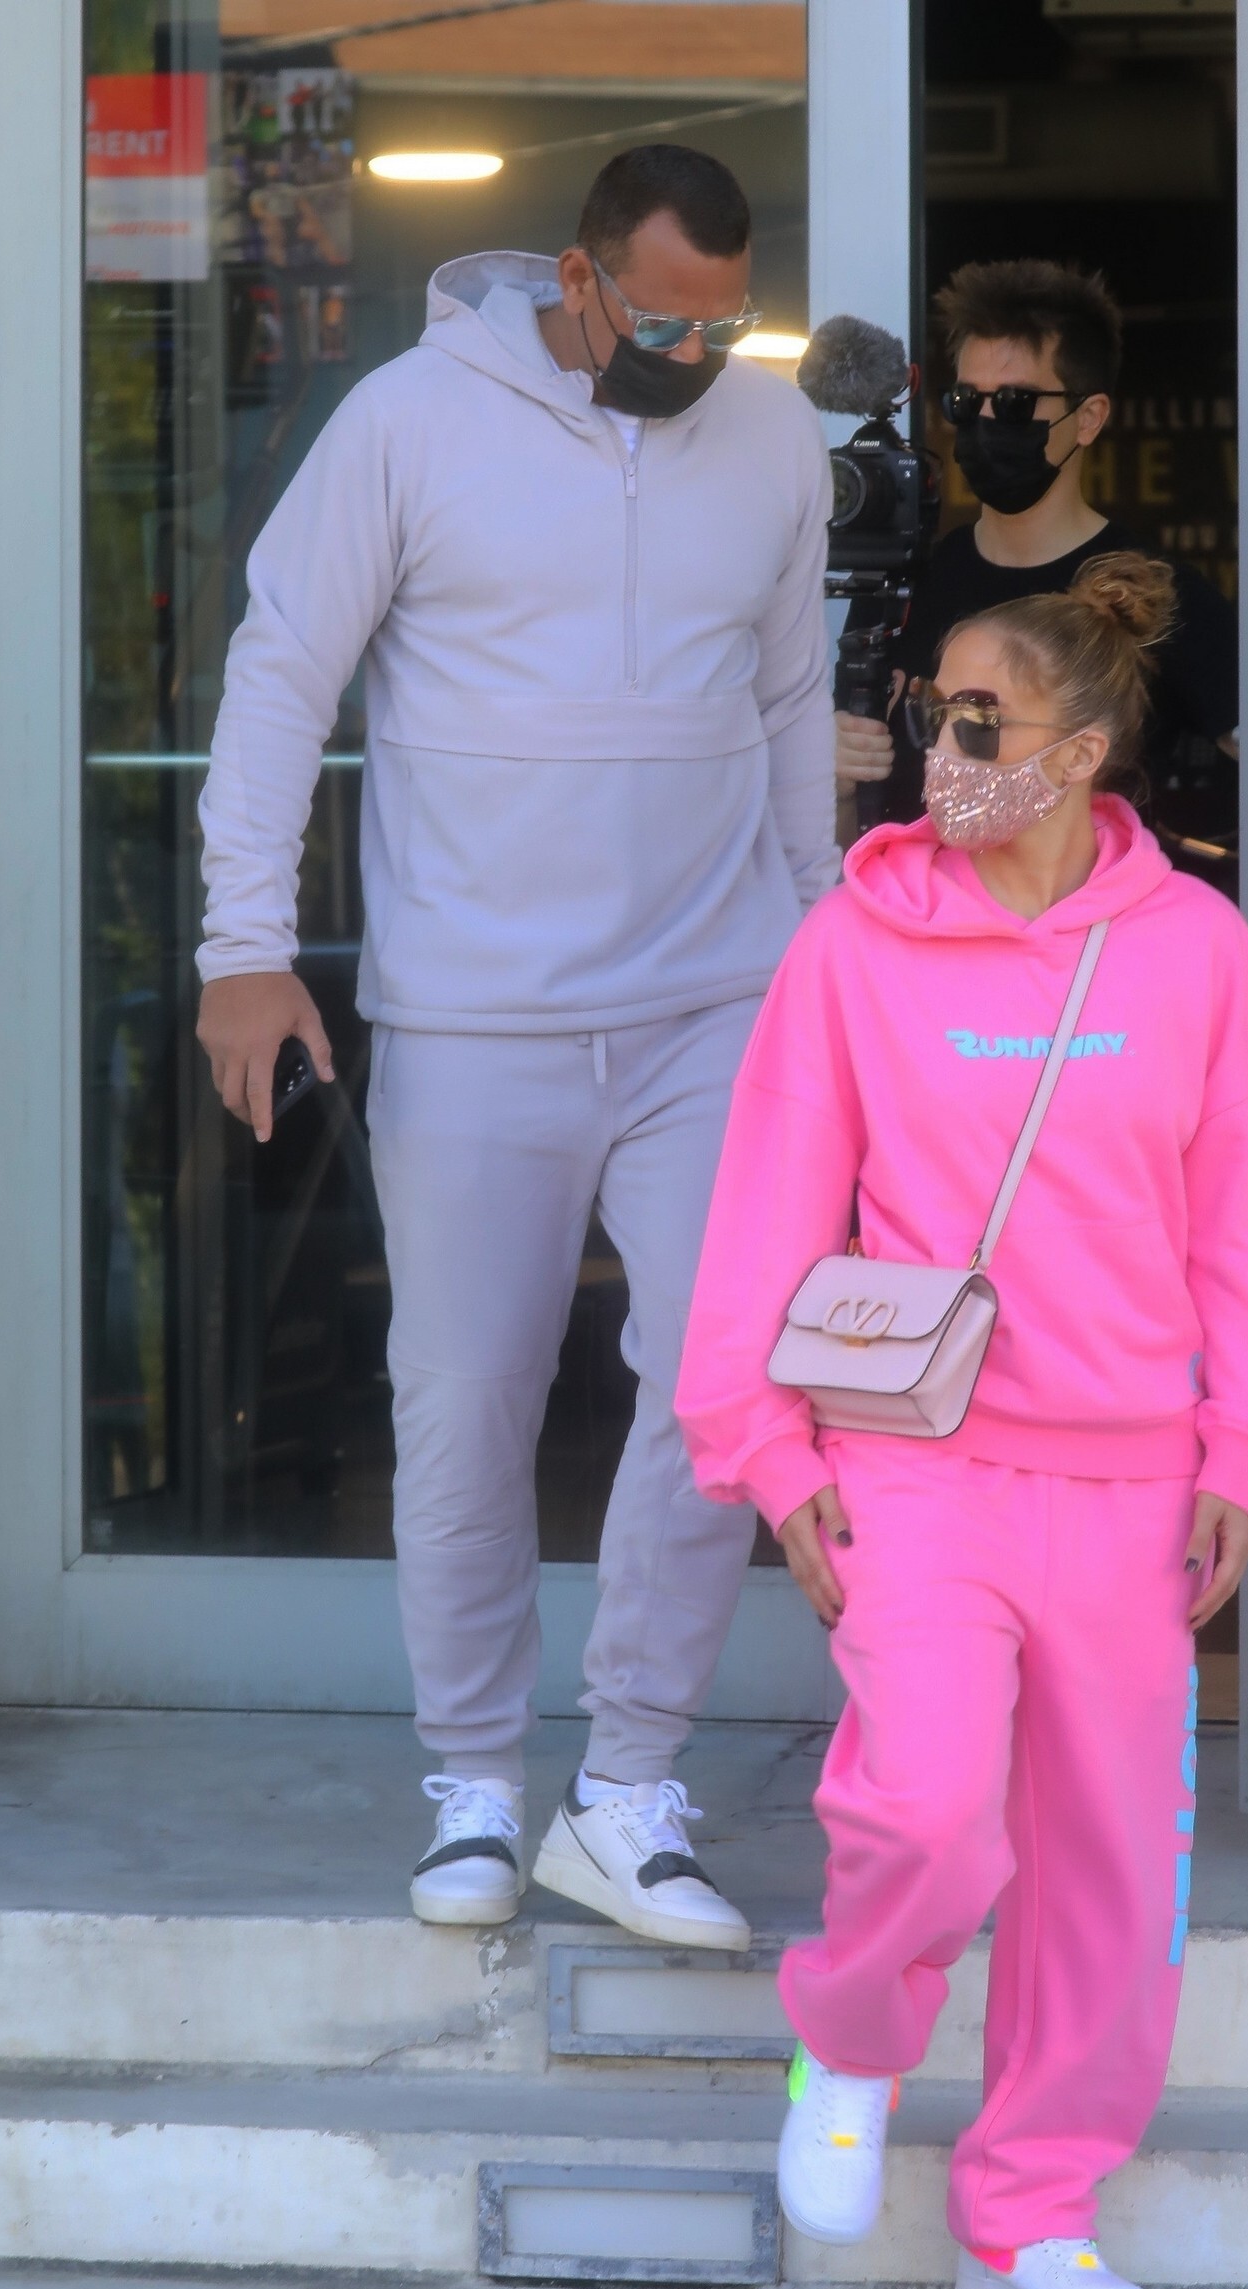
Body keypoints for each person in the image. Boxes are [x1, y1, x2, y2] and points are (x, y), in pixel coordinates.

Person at [676, 554, 1248, 2289]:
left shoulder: (1193, 952)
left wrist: (1247, 1453)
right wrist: (768, 1455)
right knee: (922, 1808)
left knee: (1109, 1875)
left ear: (1087, 751)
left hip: (1133, 1479)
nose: (945, 751)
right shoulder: (852, 945)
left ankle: (1030, 2219)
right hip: (918, 1464)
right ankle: (850, 2045)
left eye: (984, 721)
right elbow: (767, 1208)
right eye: (935, 714)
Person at [195, 146, 838, 1949]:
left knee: (718, 1393)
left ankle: (628, 1790)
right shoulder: (407, 422)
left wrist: (822, 954)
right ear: (577, 276)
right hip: (474, 1008)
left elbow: (791, 699)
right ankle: (474, 1781)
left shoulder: (773, 436)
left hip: (719, 998)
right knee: (466, 1397)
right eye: (666, 322)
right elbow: (281, 675)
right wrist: (245, 951)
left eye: (728, 326)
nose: (698, 357)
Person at [838, 256, 1248, 859]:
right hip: (917, 924)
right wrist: (833, 770)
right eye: (966, 401)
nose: (985, 423)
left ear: (1089, 417)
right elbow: (848, 781)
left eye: (1015, 402)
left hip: (1094, 934)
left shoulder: (1151, 590)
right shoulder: (907, 580)